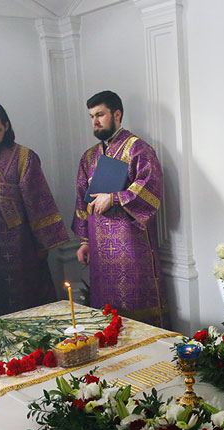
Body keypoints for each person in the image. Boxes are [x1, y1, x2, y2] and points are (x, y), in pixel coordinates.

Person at [0, 103, 68, 317]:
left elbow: (38, 200)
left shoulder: (25, 156)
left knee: (26, 294)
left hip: (21, 241)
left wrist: (43, 244)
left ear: (6, 127)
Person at [72, 90, 167, 327]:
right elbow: (82, 200)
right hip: (99, 248)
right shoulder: (89, 156)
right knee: (106, 313)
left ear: (117, 114)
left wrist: (114, 198)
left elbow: (151, 189)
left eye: (100, 115)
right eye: (92, 116)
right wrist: (85, 241)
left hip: (131, 246)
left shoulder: (138, 149)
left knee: (135, 309)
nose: (95, 122)